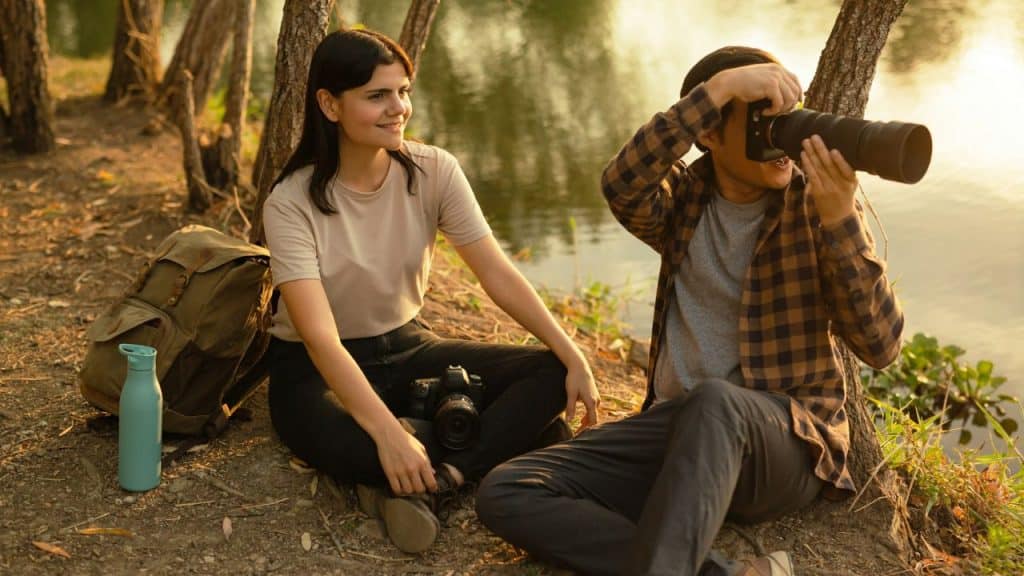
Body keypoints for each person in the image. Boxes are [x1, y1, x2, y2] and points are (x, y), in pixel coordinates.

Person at [475, 46, 905, 576]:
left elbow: (881, 345)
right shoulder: (683, 198)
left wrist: (841, 219)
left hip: (785, 443)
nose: (782, 143)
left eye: (787, 121)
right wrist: (720, 90)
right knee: (508, 489)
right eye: (762, 124)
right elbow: (621, 182)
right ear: (709, 133)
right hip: (677, 432)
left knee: (715, 402)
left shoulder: (816, 205)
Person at [262, 28, 599, 555]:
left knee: (552, 374)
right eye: (377, 95)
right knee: (362, 445)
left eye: (403, 91)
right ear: (329, 105)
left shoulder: (434, 170)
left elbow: (497, 274)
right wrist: (387, 435)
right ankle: (470, 444)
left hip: (408, 348)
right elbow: (321, 339)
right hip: (315, 372)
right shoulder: (290, 202)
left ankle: (438, 479)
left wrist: (572, 353)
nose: (398, 108)